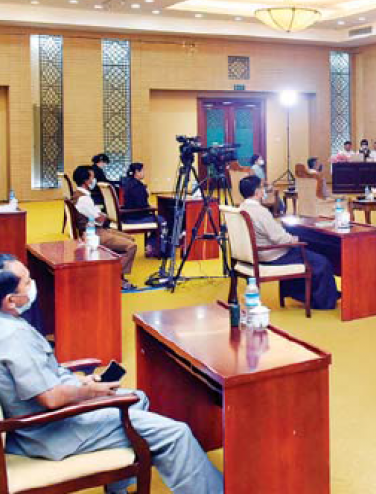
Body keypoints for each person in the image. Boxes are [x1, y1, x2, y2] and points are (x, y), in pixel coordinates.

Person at [0, 254, 224, 494]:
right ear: (11, 301)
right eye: (27, 282)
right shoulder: (14, 336)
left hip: (40, 423)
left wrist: (80, 383)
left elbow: (42, 377)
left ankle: (117, 490)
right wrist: (87, 392)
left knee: (138, 398)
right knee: (176, 434)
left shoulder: (8, 324)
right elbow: (50, 399)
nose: (33, 285)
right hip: (51, 431)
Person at [238, 176, 339, 309]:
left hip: (255, 254)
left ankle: (300, 293)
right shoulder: (260, 212)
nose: (264, 190)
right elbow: (279, 238)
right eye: (262, 187)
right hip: (272, 255)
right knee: (322, 261)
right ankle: (324, 302)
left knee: (309, 252)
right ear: (257, 192)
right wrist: (294, 239)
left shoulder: (241, 208)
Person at [72, 165, 138, 290]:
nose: (94, 180)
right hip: (93, 233)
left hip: (95, 229)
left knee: (130, 238)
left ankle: (117, 272)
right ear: (86, 181)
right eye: (92, 177)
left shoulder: (78, 194)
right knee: (131, 246)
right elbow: (100, 218)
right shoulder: (84, 199)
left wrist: (101, 216)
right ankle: (116, 278)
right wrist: (102, 216)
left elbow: (98, 216)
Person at [120, 163, 167, 258]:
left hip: (127, 216)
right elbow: (142, 205)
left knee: (157, 219)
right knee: (162, 220)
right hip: (135, 218)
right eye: (142, 171)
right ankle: (159, 250)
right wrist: (150, 205)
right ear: (137, 172)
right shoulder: (138, 186)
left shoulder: (128, 183)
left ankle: (150, 245)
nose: (144, 173)